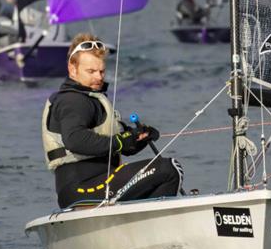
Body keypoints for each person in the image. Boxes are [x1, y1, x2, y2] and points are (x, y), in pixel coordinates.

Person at [42, 33, 183, 208]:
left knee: (160, 174)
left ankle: (137, 224)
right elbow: (75, 140)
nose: (99, 77)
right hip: (83, 188)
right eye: (91, 71)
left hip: (101, 183)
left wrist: (138, 137)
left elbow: (122, 146)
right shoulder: (73, 101)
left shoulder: (92, 99)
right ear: (73, 69)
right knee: (168, 169)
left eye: (101, 71)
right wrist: (120, 142)